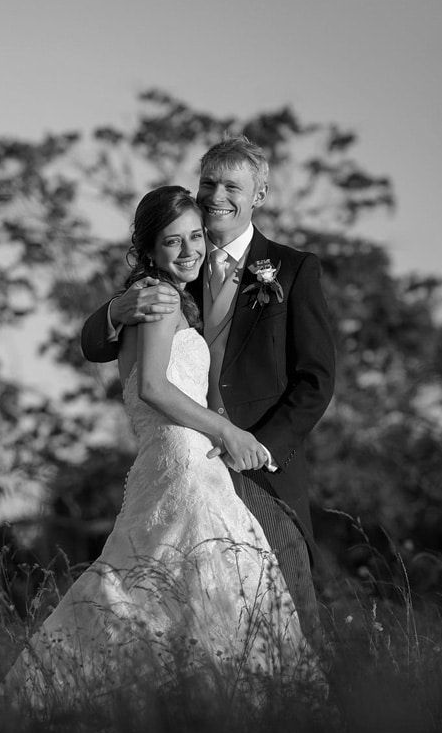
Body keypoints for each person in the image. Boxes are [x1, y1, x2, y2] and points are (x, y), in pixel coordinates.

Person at [0, 184, 322, 715]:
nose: (189, 251)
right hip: (184, 463)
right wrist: (228, 434)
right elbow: (154, 388)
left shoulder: (174, 294)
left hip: (181, 462)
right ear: (149, 251)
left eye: (195, 237)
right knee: (196, 593)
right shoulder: (157, 298)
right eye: (173, 242)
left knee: (160, 588)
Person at [81, 136, 336, 648]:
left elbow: (316, 380)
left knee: (284, 606)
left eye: (232, 185)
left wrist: (253, 447)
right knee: (176, 607)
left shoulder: (292, 269)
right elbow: (96, 344)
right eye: (208, 183)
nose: (217, 195)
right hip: (185, 461)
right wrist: (115, 310)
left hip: (259, 467)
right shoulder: (179, 262)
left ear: (259, 194)